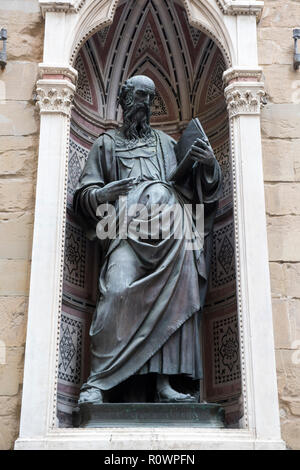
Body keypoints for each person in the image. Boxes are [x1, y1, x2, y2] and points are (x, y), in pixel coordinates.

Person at [73, 75, 222, 404]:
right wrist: (102, 193)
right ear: (125, 99)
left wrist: (208, 166)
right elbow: (82, 197)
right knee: (117, 290)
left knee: (178, 289)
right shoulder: (106, 145)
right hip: (124, 233)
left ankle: (165, 384)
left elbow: (198, 195)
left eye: (149, 99)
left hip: (171, 234)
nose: (143, 104)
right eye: (138, 96)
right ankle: (99, 383)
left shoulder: (167, 144)